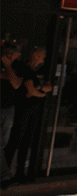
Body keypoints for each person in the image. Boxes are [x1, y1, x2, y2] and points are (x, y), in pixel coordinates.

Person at [4, 46, 50, 183]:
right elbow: (30, 89)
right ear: (35, 56)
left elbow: (48, 87)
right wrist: (40, 93)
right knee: (15, 140)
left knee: (26, 141)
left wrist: (39, 90)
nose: (43, 58)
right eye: (42, 55)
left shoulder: (38, 72)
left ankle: (20, 172)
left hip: (32, 109)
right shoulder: (26, 70)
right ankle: (6, 173)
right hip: (22, 108)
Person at [1, 44, 22, 182]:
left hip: (7, 108)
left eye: (12, 53)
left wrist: (8, 67)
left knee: (2, 142)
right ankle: (4, 175)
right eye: (7, 52)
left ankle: (4, 175)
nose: (9, 55)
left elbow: (16, 84)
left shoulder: (19, 67)